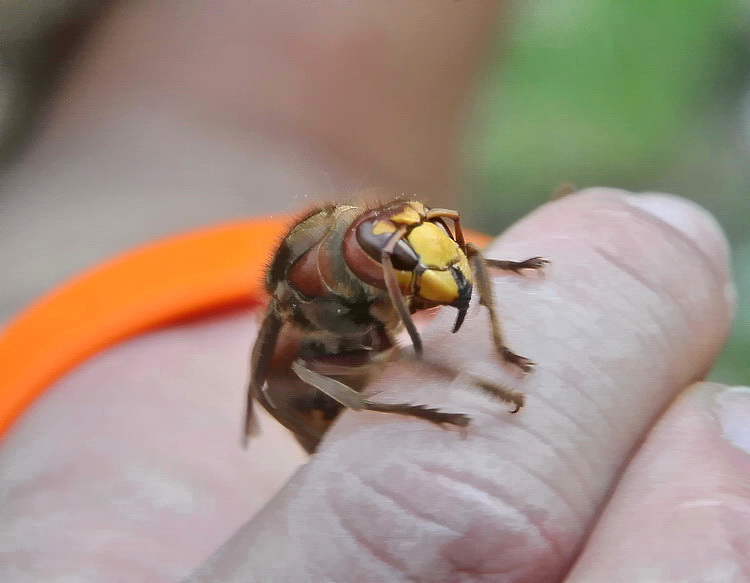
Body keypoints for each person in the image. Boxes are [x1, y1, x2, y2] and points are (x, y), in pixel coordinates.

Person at [0, 2, 742, 581]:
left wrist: (503, 289)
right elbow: (280, 370)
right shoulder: (317, 294)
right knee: (313, 378)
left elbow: (259, 130)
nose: (435, 256)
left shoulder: (383, 241)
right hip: (310, 379)